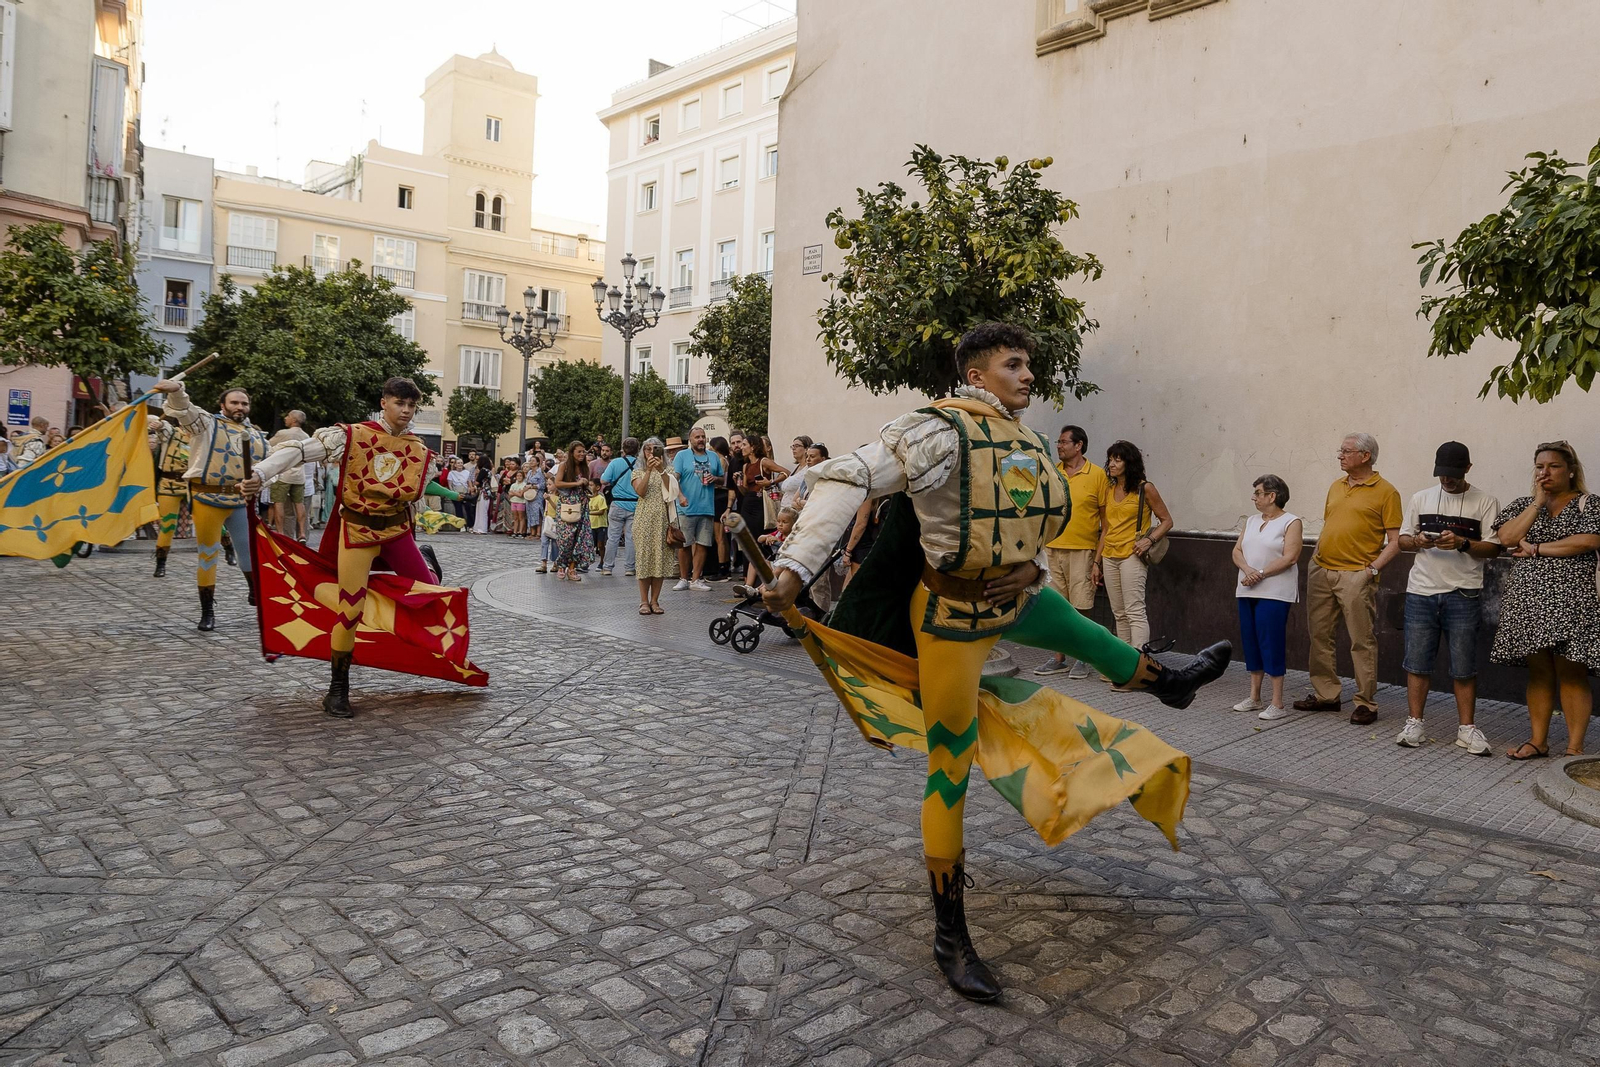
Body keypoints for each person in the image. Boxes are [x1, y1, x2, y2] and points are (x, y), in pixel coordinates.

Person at [764, 322, 1230, 1001]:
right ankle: (950, 933)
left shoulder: (1028, 442)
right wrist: (793, 569)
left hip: (1012, 599)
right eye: (1014, 364)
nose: (1028, 374)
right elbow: (846, 476)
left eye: (1029, 363)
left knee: (1090, 636)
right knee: (950, 763)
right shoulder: (934, 430)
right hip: (948, 618)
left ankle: (1172, 684)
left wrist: (1033, 569)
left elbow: (1031, 519)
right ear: (977, 375)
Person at [240, 377, 446, 718]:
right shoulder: (352, 435)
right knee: (350, 608)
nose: (406, 411)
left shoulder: (420, 451)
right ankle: (337, 690)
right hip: (357, 531)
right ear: (384, 402)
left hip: (395, 532)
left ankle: (424, 558)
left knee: (429, 596)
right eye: (400, 404)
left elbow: (419, 489)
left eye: (411, 406)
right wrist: (261, 475)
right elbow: (298, 451)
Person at [1392, 443, 1504, 753]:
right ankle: (1414, 723)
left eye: (1453, 475)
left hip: (1463, 593)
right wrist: (1416, 540)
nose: (1447, 480)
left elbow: (1494, 548)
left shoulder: (1485, 501)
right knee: (1416, 663)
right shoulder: (1420, 498)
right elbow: (1401, 539)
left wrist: (1462, 543)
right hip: (1421, 591)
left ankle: (1466, 729)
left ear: (1468, 469)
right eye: (1442, 474)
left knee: (1464, 666)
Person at [1492, 441, 1600, 759]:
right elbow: (1508, 538)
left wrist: (1538, 548)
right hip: (1528, 601)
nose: (1545, 472)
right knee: (1538, 672)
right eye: (1540, 466)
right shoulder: (1524, 504)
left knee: (1571, 673)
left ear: (1570, 470)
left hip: (1573, 602)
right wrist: (1537, 503)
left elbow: (1589, 540)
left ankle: (1574, 749)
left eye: (1553, 466)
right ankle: (1538, 741)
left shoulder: (1588, 504)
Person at [1294, 432, 1402, 725]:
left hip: (1356, 575)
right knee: (1319, 636)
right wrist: (1316, 558)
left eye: (1346, 451)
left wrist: (1372, 570)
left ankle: (1366, 702)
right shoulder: (1336, 486)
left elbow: (1395, 541)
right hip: (1321, 570)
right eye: (1340, 451)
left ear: (1365, 456)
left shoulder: (1386, 492)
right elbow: (1332, 525)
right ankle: (1326, 695)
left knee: (1361, 641)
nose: (1340, 455)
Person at [149, 380, 268, 630]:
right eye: (234, 402)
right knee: (207, 555)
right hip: (207, 499)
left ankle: (254, 592)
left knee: (248, 552)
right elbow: (185, 409)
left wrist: (261, 482)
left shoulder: (258, 434)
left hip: (240, 501)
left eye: (244, 403)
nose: (240, 407)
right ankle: (207, 611)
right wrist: (177, 391)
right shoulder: (206, 424)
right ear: (222, 405)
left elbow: (269, 466)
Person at [1035, 425, 1110, 677]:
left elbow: (1105, 522)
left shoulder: (1098, 475)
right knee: (1056, 607)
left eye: (1064, 442)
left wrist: (1097, 560)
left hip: (1083, 550)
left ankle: (1083, 657)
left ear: (1079, 445)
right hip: (1052, 548)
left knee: (1081, 607)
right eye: (1058, 442)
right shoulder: (1052, 472)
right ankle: (1058, 658)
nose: (1059, 446)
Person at [1231, 475, 1302, 720]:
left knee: (1270, 641)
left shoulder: (1291, 522)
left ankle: (1277, 703)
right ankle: (1254, 696)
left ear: (1272, 496)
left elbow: (1290, 557)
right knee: (1250, 641)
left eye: (1258, 493)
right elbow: (1237, 550)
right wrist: (1248, 571)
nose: (1254, 497)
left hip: (1274, 592)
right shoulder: (1250, 521)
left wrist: (1259, 573)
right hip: (1247, 588)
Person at [1098, 440, 1171, 667]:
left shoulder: (1144, 488)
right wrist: (1096, 560)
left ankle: (1139, 665)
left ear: (1128, 463)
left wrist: (1149, 540)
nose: (1111, 464)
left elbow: (1167, 521)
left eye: (1117, 459)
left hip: (1132, 554)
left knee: (1134, 610)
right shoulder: (1109, 489)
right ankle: (1124, 663)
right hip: (1110, 554)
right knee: (1118, 612)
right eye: (1110, 459)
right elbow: (1107, 527)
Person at [671, 426, 726, 591]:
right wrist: (680, 496)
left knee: (703, 544)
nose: (701, 439)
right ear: (690, 440)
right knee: (685, 545)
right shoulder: (682, 456)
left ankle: (696, 579)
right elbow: (674, 479)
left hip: (706, 507)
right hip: (686, 507)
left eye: (703, 437)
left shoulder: (713, 457)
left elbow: (722, 480)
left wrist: (714, 478)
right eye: (697, 437)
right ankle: (683, 578)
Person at [631, 437, 678, 614]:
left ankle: (655, 601)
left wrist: (660, 470)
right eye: (647, 449)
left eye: (655, 449)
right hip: (643, 520)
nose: (651, 452)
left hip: (663, 520)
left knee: (660, 560)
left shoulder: (669, 470)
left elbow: (672, 491)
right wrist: (650, 471)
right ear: (643, 452)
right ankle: (643, 601)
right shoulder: (637, 472)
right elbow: (640, 492)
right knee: (644, 559)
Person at [147, 414, 192, 578]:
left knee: (206, 518)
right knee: (167, 526)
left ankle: (228, 546)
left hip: (192, 485)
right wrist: (157, 425)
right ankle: (161, 563)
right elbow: (163, 427)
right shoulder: (172, 433)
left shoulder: (203, 437)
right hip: (169, 483)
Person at [550, 441, 596, 581]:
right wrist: (576, 483)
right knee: (566, 538)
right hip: (567, 504)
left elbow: (586, 485)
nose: (582, 454)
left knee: (580, 538)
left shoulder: (584, 467)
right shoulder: (564, 466)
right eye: (579, 452)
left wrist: (586, 485)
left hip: (581, 504)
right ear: (572, 453)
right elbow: (557, 483)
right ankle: (561, 565)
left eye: (584, 452)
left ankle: (572, 567)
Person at [268, 410, 311, 540]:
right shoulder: (307, 436)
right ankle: (302, 533)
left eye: (287, 416)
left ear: (293, 420)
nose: (285, 418)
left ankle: (280, 533)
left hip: (283, 474)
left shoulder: (283, 433)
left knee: (278, 503)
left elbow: (268, 445)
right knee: (299, 503)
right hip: (299, 475)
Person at [601, 437, 641, 577]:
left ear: (623, 449)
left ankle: (607, 567)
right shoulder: (641, 464)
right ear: (638, 449)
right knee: (631, 538)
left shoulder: (615, 463)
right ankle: (630, 568)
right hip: (635, 504)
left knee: (613, 537)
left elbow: (604, 480)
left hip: (617, 503)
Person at [708, 435, 738, 579]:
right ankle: (725, 566)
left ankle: (722, 569)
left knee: (719, 536)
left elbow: (718, 480)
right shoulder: (727, 459)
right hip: (722, 497)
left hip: (719, 496)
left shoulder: (720, 460)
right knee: (723, 537)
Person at [588, 482, 609, 573]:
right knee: (591, 544)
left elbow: (601, 511)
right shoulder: (588, 499)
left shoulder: (600, 498)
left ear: (597, 487)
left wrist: (590, 513)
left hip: (601, 524)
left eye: (592, 485)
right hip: (591, 524)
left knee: (601, 544)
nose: (590, 487)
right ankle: (587, 562)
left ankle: (602, 561)